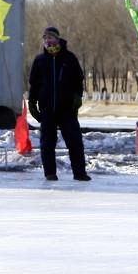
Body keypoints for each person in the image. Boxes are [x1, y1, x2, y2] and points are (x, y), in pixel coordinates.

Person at [28, 26, 89, 182]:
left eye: (50, 37)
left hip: (67, 108)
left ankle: (79, 173)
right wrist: (33, 103)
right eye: (45, 38)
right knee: (47, 143)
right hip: (47, 109)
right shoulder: (40, 60)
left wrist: (77, 96)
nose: (48, 40)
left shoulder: (69, 58)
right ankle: (50, 173)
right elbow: (34, 85)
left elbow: (78, 79)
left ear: (57, 39)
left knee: (74, 141)